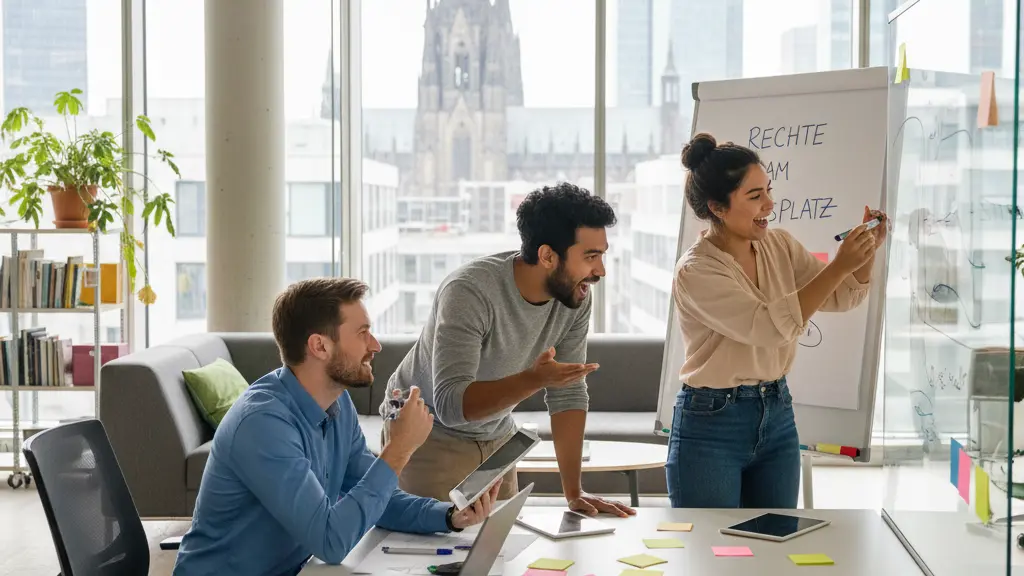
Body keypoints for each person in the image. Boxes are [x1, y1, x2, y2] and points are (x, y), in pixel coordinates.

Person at [173, 278, 499, 576]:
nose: (375, 345)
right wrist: (399, 447)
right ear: (320, 346)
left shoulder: (336, 404)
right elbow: (330, 542)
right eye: (362, 333)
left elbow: (376, 494)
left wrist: (448, 516)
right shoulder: (263, 424)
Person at [380, 182, 635, 518]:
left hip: (497, 434)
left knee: (498, 553)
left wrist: (574, 493)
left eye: (601, 255)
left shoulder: (574, 295)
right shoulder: (470, 293)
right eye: (590, 257)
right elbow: (450, 405)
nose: (600, 270)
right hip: (427, 432)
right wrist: (534, 379)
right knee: (431, 555)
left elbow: (569, 394)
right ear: (547, 256)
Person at [665, 133, 886, 509]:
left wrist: (864, 253)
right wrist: (839, 265)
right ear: (717, 207)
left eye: (768, 190)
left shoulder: (778, 245)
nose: (770, 203)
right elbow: (768, 327)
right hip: (711, 423)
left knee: (774, 546)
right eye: (755, 196)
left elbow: (841, 295)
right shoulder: (696, 271)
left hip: (778, 412)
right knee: (710, 554)